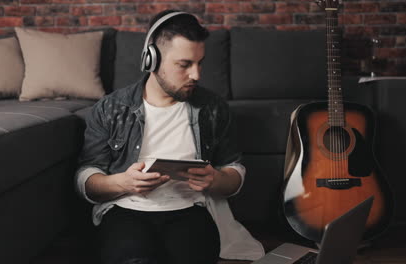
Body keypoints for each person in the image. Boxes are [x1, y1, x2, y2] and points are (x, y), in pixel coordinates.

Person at [75, 10, 264, 264]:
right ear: (151, 59)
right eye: (184, 65)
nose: (196, 75)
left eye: (200, 63)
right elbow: (86, 178)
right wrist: (123, 183)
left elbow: (234, 170)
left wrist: (217, 179)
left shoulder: (213, 108)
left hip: (190, 210)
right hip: (126, 210)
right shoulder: (111, 108)